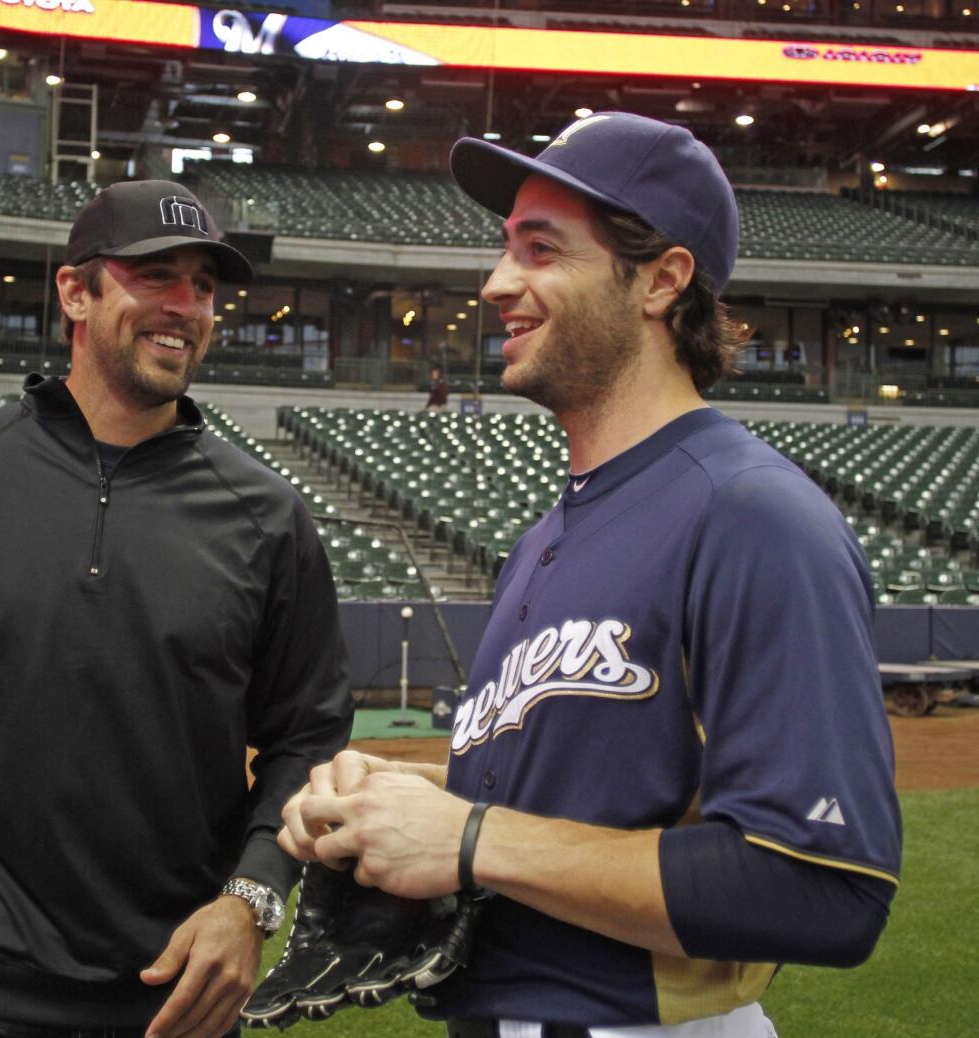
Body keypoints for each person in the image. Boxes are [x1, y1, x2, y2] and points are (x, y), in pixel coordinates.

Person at [278, 113, 901, 1038]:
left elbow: (824, 885)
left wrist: (468, 839)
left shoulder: (751, 514)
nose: (495, 284)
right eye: (504, 249)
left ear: (661, 280)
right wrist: (393, 805)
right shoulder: (546, 534)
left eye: (541, 250)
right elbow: (564, 812)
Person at [0, 179, 353, 1038]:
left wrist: (252, 900)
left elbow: (307, 736)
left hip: (172, 993)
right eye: (155, 276)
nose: (186, 305)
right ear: (75, 292)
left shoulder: (267, 515)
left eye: (203, 285)